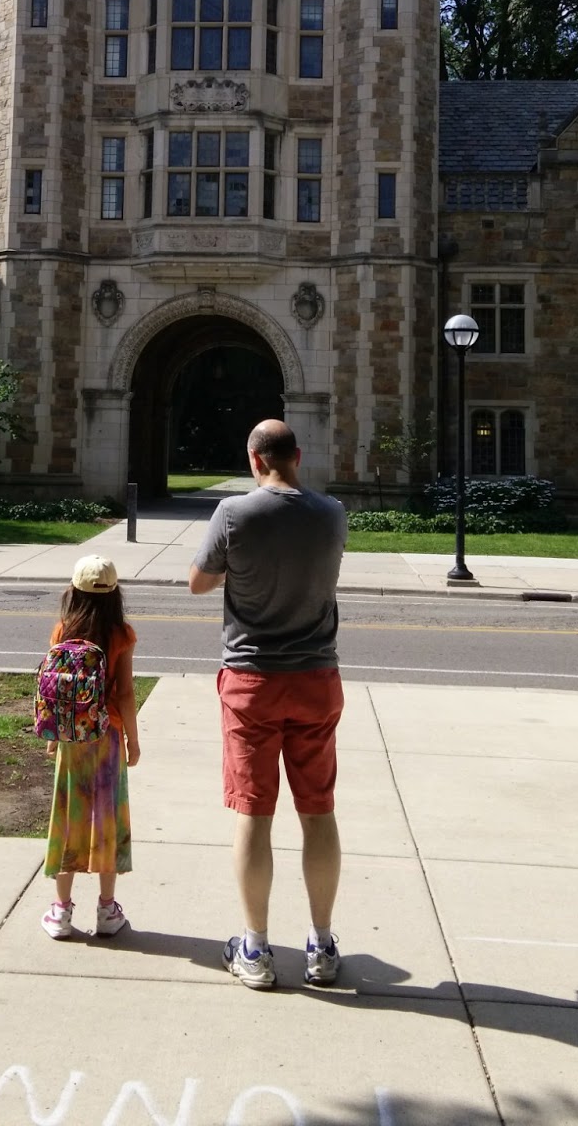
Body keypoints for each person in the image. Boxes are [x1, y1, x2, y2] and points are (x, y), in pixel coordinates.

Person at [188, 419, 348, 991]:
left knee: (254, 812)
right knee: (318, 811)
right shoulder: (332, 513)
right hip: (316, 677)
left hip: (252, 680)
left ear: (254, 459)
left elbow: (198, 582)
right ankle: (321, 945)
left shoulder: (234, 514)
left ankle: (255, 949)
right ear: (296, 456)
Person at [40, 553, 140, 939]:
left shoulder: (62, 631)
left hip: (71, 737)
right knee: (107, 820)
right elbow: (125, 692)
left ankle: (61, 912)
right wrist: (133, 740)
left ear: (73, 591)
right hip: (108, 735)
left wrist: (54, 738)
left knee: (70, 817)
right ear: (115, 593)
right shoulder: (122, 634)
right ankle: (107, 910)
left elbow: (55, 690)